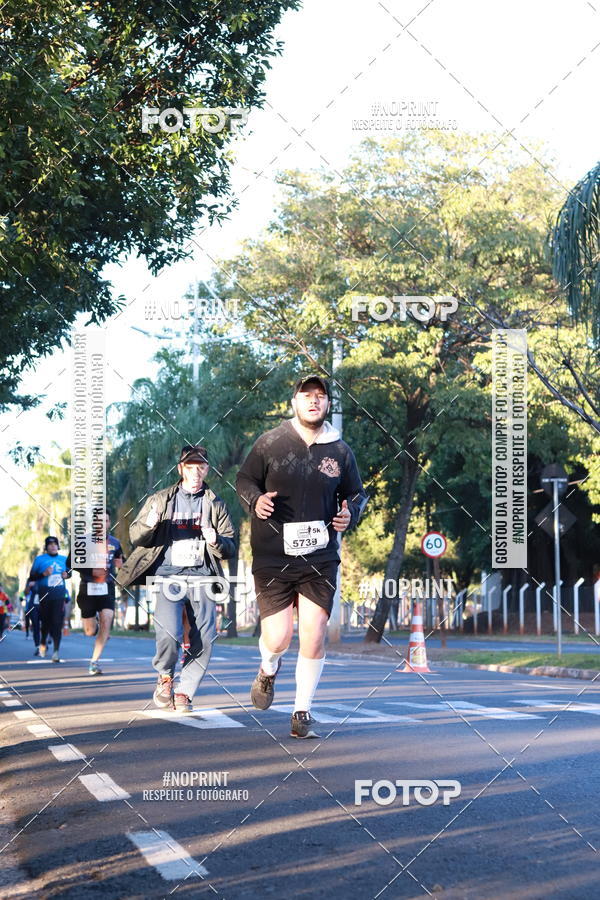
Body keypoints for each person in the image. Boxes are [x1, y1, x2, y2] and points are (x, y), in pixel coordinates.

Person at [236, 374, 368, 739]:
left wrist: (349, 514)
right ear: (294, 402)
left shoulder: (339, 449)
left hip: (320, 556)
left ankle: (302, 710)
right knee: (278, 637)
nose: (314, 401)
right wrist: (255, 500)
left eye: (321, 397)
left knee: (313, 634)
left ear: (327, 405)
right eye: (306, 396)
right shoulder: (271, 442)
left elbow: (356, 494)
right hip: (273, 555)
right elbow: (244, 480)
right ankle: (268, 667)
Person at [117, 445, 237, 711]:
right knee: (168, 632)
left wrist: (215, 539)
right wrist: (151, 522)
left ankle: (185, 691)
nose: (196, 472)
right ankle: (165, 676)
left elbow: (230, 546)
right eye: (191, 467)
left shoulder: (215, 503)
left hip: (202, 577)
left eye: (201, 467)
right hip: (167, 576)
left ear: (208, 469)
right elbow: (136, 536)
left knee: (205, 637)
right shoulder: (161, 499)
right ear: (181, 469)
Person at [66, 510, 123, 675]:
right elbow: (71, 562)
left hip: (107, 588)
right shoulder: (82, 540)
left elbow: (120, 560)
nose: (102, 524)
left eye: (105, 520)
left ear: (109, 523)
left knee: (106, 620)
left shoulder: (115, 542)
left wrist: (122, 564)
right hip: (87, 588)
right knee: (90, 631)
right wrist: (92, 571)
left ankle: (94, 662)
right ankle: (98, 629)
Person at [27, 536, 68, 662]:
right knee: (45, 622)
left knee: (57, 623)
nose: (53, 546)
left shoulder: (64, 559)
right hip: (44, 595)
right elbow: (32, 577)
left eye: (55, 544)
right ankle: (43, 642)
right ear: (46, 547)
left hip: (59, 595)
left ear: (58, 546)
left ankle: (56, 651)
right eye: (50, 544)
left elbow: (69, 572)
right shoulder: (39, 560)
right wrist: (43, 574)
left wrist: (67, 575)